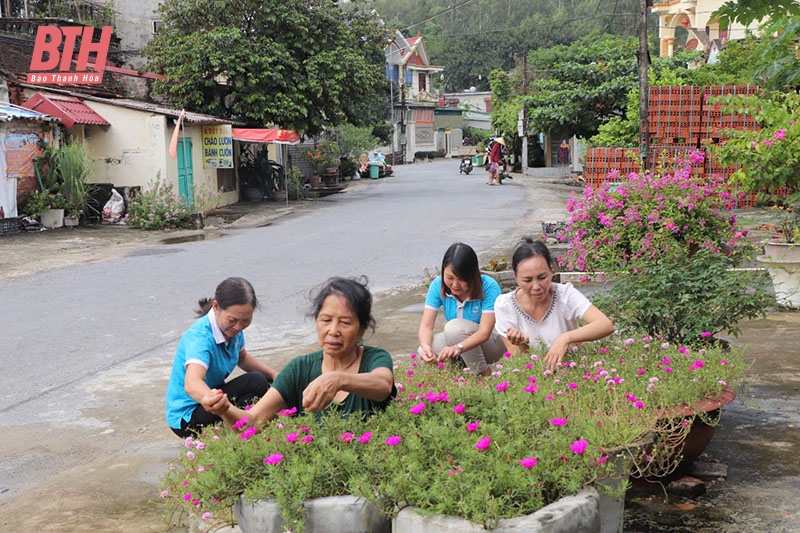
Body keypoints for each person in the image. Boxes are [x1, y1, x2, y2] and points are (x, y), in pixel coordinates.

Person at [210, 277, 396, 427]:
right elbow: (252, 423)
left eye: (345, 323)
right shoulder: (300, 369)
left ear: (362, 329)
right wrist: (224, 409)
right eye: (325, 320)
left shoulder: (374, 359)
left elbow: (383, 385)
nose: (333, 331)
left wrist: (337, 380)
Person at [165, 277, 279, 438]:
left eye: (246, 320)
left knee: (263, 382)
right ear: (216, 307)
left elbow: (243, 357)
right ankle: (242, 427)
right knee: (257, 383)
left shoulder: (231, 330)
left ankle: (244, 423)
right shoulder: (201, 338)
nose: (238, 327)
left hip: (211, 400)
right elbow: (191, 383)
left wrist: (276, 376)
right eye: (233, 320)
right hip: (188, 417)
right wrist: (216, 402)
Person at [494, 238, 615, 372]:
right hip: (537, 375)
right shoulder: (505, 305)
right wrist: (522, 344)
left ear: (552, 271)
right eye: (527, 280)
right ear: (515, 277)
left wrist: (565, 338)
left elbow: (605, 325)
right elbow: (520, 364)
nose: (536, 286)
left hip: (572, 368)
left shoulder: (565, 294)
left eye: (542, 277)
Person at [418, 242, 506, 376]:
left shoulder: (488, 286)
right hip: (459, 342)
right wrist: (426, 347)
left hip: (491, 344)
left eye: (462, 279)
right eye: (449, 278)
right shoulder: (437, 285)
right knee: (425, 350)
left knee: (453, 328)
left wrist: (458, 347)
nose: (455, 285)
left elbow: (484, 332)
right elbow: (426, 325)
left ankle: (482, 374)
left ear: (473, 274)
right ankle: (458, 376)